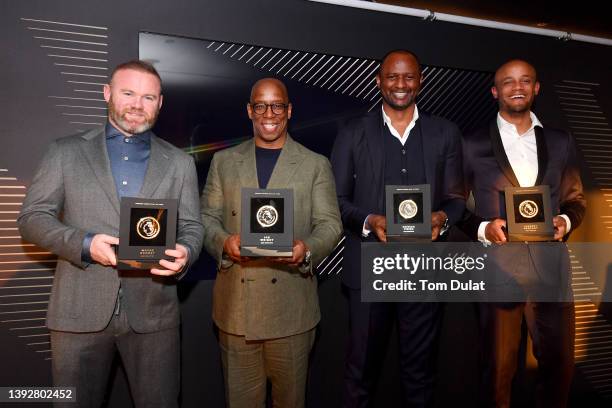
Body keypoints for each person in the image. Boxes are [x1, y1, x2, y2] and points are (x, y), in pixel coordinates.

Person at [18, 60, 204, 407]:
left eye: (148, 97)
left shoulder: (179, 162)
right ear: (107, 94)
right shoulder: (65, 151)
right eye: (128, 93)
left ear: (160, 103)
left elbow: (192, 227)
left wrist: (186, 253)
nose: (137, 104)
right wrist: (86, 245)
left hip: (154, 317)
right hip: (77, 313)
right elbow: (32, 218)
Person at [330, 50, 465, 407]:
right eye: (392, 77)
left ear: (420, 82)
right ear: (379, 81)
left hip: (423, 271)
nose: (400, 85)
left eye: (408, 77)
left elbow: (456, 198)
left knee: (420, 375)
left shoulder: (445, 132)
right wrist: (370, 222)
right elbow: (336, 199)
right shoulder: (352, 133)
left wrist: (443, 219)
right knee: (360, 374)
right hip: (369, 269)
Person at [200, 78, 343, 407]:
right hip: (236, 311)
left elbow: (330, 225)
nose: (269, 113)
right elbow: (206, 218)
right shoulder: (224, 162)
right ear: (249, 111)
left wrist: (305, 249)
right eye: (261, 105)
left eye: (277, 105)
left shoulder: (314, 164)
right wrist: (224, 242)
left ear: (289, 110)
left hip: (291, 312)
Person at [459, 59, 586, 407]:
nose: (518, 87)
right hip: (498, 271)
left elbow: (576, 200)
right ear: (495, 91)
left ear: (536, 88)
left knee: (559, 368)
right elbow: (453, 204)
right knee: (498, 370)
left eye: (526, 81)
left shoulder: (560, 141)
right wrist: (483, 227)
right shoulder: (471, 145)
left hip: (551, 272)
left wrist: (566, 221)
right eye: (509, 82)